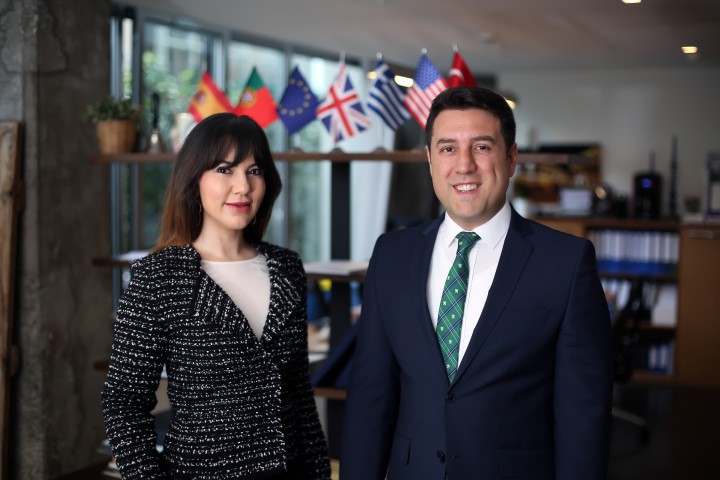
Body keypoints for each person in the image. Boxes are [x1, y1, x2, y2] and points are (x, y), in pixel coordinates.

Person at [340, 86, 613, 480]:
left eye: (482, 147)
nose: (464, 165)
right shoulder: (391, 255)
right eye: (448, 148)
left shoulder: (566, 263)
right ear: (430, 159)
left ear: (511, 157)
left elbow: (583, 413)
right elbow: (371, 395)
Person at [101, 113, 331, 479]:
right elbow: (123, 403)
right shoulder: (159, 277)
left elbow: (300, 396)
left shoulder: (287, 268)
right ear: (194, 180)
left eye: (254, 171)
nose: (243, 186)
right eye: (225, 170)